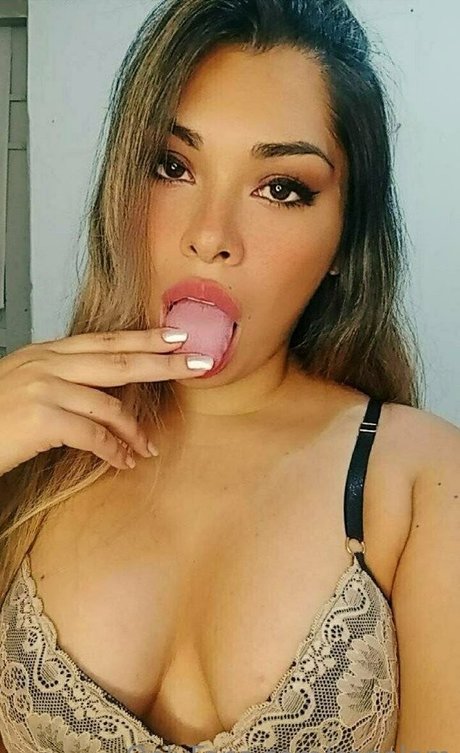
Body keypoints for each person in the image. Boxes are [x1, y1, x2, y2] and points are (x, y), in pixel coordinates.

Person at [0, 0, 459, 751]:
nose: (210, 235)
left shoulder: (422, 480)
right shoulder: (32, 451)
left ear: (346, 237)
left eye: (281, 187)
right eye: (172, 166)